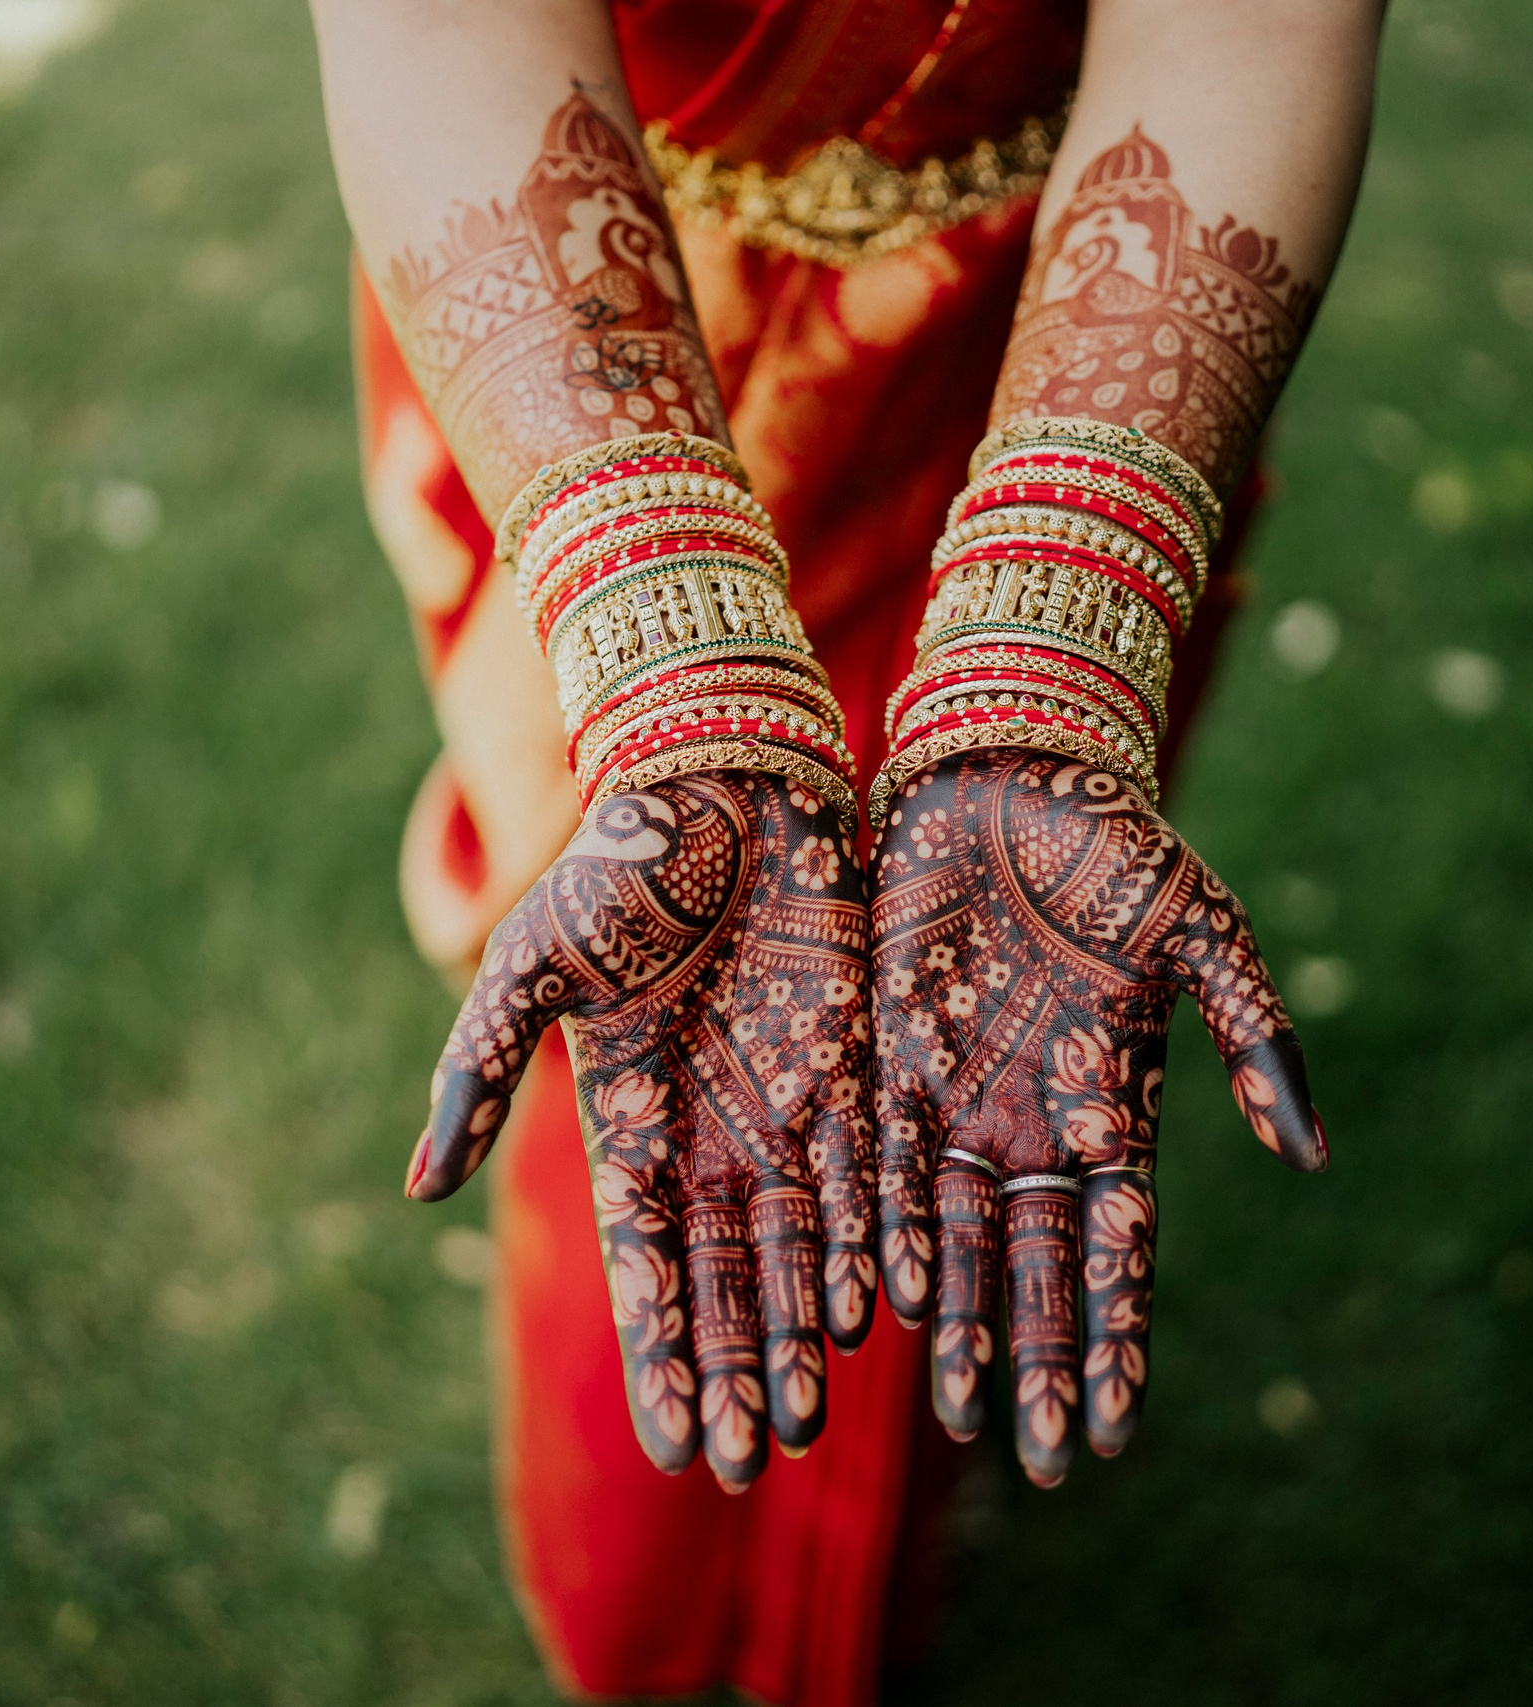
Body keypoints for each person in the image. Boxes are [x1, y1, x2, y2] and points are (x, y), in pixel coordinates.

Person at [305, 1, 1384, 1700]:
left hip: (1074, 372)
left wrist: (1048, 658)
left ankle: (859, 1583)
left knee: (980, 1033)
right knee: (666, 995)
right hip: (600, 353)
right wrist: (676, 673)